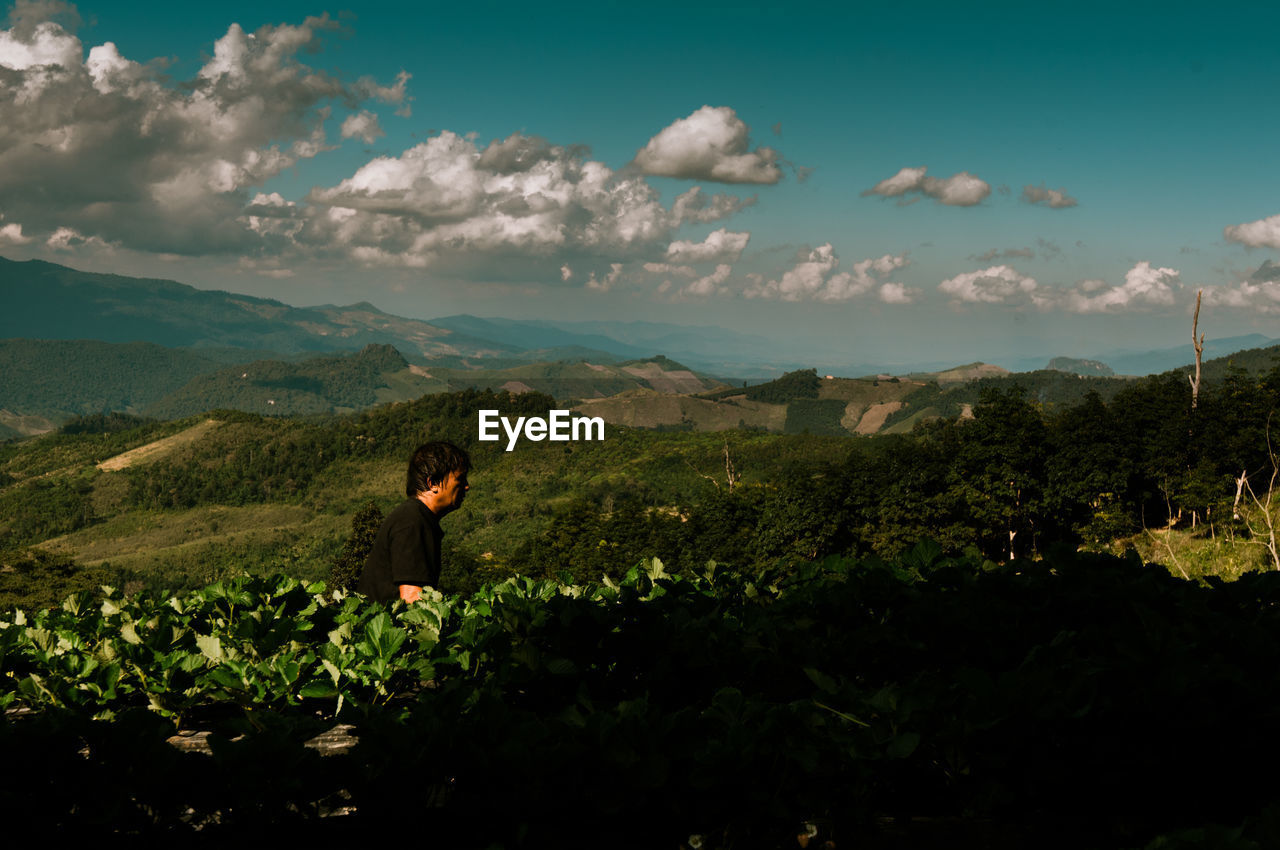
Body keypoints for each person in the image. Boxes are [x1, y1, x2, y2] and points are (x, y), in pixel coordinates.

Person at [357, 441, 470, 603]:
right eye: (460, 479)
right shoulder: (413, 522)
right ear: (433, 483)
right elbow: (412, 598)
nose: (466, 486)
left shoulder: (414, 517)